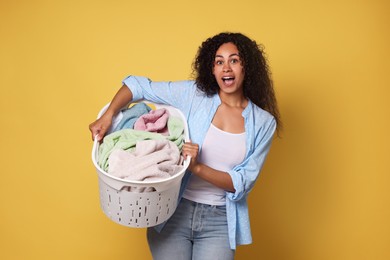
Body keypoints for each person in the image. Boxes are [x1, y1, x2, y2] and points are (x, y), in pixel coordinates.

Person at [89, 32, 281, 260]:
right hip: (171, 212)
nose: (226, 68)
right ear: (212, 69)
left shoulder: (263, 123)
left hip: (218, 221)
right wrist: (108, 115)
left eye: (234, 60)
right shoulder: (193, 95)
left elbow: (243, 182)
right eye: (219, 61)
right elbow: (137, 86)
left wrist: (197, 167)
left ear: (246, 66)